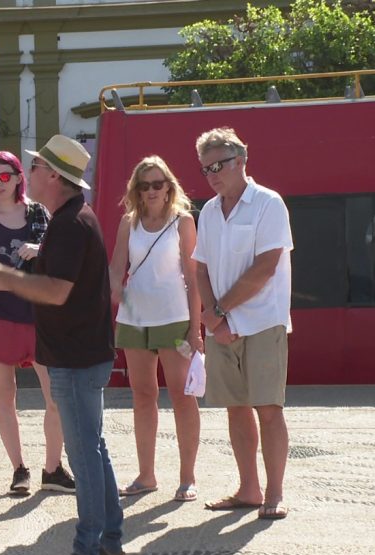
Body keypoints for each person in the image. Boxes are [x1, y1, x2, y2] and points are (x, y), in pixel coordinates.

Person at [0, 135, 124, 555]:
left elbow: (56, 291)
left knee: (85, 452)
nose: (28, 175)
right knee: (94, 450)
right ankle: (110, 541)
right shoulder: (71, 220)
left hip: (75, 357)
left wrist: (4, 277)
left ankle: (88, 550)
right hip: (80, 353)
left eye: (34, 168)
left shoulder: (69, 224)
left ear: (53, 176)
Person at [192, 127, 293, 521]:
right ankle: (248, 489)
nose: (212, 174)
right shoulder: (210, 211)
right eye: (205, 169)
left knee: (269, 408)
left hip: (262, 323)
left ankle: (275, 493)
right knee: (235, 408)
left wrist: (219, 312)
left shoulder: (269, 204)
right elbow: (199, 267)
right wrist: (212, 317)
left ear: (242, 162)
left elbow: (265, 268)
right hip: (221, 326)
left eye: (219, 165)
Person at [0, 150, 73, 496]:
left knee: (55, 396)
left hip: (39, 315)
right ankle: (18, 469)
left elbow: (62, 259)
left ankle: (53, 468)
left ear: (18, 176)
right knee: (4, 396)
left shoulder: (40, 214)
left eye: (5, 175)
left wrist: (39, 250)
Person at [108, 156, 202, 503]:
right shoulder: (127, 224)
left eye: (157, 184)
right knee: (143, 396)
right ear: (136, 190)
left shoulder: (183, 222)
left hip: (174, 319)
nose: (151, 191)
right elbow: (117, 269)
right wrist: (114, 295)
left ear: (169, 187)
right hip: (134, 321)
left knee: (182, 396)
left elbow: (193, 278)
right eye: (144, 185)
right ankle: (146, 475)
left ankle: (187, 477)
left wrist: (196, 329)